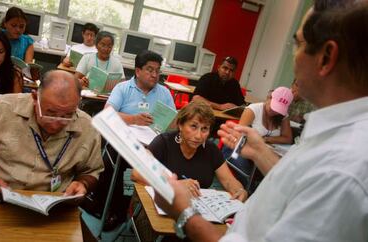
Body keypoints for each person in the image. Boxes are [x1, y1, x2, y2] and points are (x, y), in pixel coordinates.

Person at [154, 1, 368, 241]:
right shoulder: (338, 138)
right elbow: (300, 183)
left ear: (326, 57)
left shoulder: (342, 171)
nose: (294, 57)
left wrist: (185, 214)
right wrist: (260, 153)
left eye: (298, 44)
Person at [0, 70, 104, 203]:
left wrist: (83, 184)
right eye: (50, 114)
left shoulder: (87, 127)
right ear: (35, 97)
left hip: (54, 205)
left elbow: (91, 170)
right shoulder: (1, 108)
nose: (56, 124)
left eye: (67, 116)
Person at [85, 50, 175, 231]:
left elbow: (173, 121)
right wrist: (134, 119)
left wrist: (169, 123)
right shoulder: (123, 88)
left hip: (153, 143)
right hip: (124, 140)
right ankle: (111, 209)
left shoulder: (164, 92)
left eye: (157, 71)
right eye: (150, 70)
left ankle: (145, 214)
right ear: (138, 71)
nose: (155, 75)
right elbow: (107, 113)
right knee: (115, 164)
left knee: (166, 166)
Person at [132, 100, 247, 200]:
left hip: (196, 207)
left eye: (204, 129)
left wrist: (240, 190)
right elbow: (136, 173)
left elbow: (228, 181)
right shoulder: (163, 142)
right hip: (160, 202)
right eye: (193, 126)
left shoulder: (211, 149)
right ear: (180, 125)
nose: (198, 136)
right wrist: (175, 185)